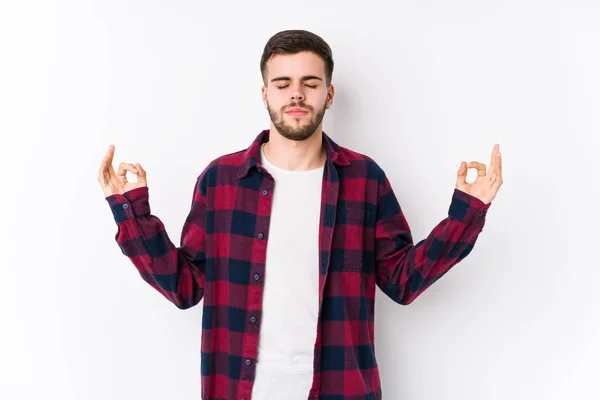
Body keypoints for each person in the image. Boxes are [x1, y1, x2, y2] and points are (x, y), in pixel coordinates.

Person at [98, 29, 502, 400]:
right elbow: (184, 287)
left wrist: (468, 214)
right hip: (240, 390)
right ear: (265, 94)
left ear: (328, 94)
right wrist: (130, 214)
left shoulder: (364, 178)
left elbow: (403, 281)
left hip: (340, 388)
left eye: (310, 83)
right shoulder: (221, 180)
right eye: (283, 84)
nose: (296, 94)